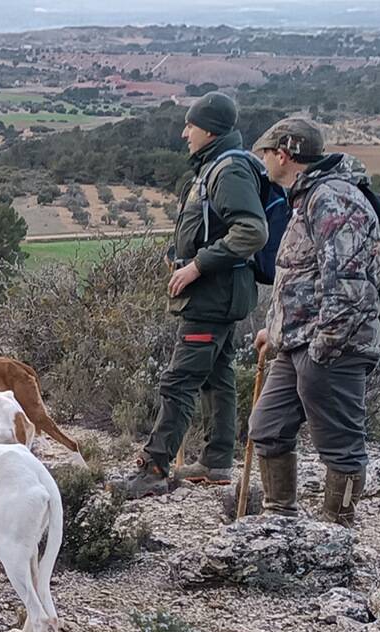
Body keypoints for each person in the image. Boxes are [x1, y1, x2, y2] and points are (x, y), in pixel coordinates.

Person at [114, 91, 268, 498]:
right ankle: (216, 462)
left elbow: (252, 230)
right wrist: (178, 256)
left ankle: (154, 468)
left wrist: (198, 266)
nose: (184, 133)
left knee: (179, 380)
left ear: (211, 129)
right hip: (221, 294)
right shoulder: (217, 166)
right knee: (218, 378)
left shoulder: (228, 171)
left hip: (212, 296)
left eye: (191, 126)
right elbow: (210, 229)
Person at [247, 116, 380, 526]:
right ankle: (281, 522)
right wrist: (278, 329)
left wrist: (324, 348)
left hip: (332, 346)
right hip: (297, 343)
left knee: (341, 447)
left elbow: (349, 283)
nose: (265, 162)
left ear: (284, 154)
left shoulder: (333, 199)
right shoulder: (308, 197)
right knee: (267, 427)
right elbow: (304, 275)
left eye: (267, 154)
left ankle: (336, 533)